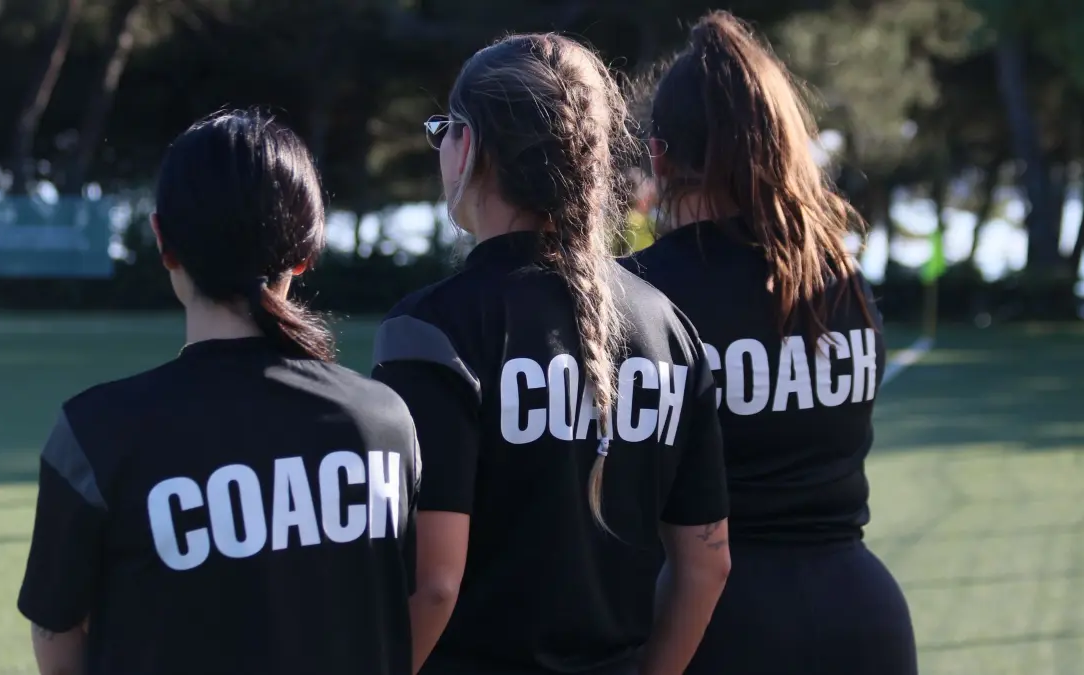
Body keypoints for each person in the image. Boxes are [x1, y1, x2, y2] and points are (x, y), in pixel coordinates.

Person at [372, 33, 731, 675]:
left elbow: (434, 584)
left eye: (443, 131)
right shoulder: (671, 329)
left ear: (469, 146)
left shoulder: (431, 328)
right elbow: (707, 565)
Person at [16, 109, 420, 675]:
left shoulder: (95, 434)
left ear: (163, 241)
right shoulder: (384, 423)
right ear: (305, 253)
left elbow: (58, 645)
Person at [622, 11, 917, 675]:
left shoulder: (637, 297)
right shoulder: (841, 281)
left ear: (659, 156)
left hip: (711, 627)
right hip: (865, 617)